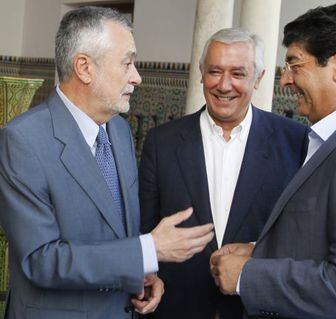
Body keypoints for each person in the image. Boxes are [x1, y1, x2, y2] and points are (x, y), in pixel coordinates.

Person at [0, 6, 214, 319]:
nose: (137, 76)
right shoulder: (22, 140)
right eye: (127, 62)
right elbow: (41, 260)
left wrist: (139, 274)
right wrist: (147, 251)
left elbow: (116, 237)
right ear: (84, 68)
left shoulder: (119, 130)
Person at [210, 3, 336, 319]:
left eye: (294, 65)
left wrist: (248, 276)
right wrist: (261, 253)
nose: (285, 80)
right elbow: (327, 242)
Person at [139, 28, 308, 319]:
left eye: (239, 74)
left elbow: (301, 235)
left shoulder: (295, 141)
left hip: (256, 309)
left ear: (259, 78)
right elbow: (144, 228)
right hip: (176, 308)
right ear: (201, 74)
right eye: (215, 71)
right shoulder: (161, 142)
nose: (224, 85)